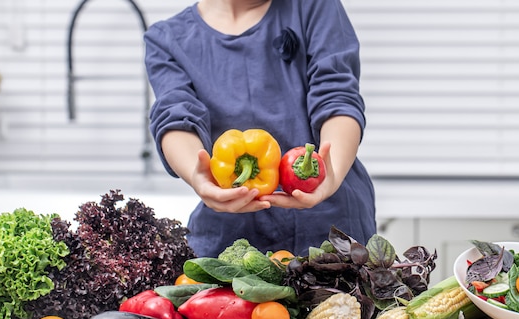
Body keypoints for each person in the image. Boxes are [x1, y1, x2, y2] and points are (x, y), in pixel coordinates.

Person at [144, 0, 376, 258]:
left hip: (330, 228)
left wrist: (331, 175)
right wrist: (197, 177)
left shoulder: (315, 6)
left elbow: (337, 96)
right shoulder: (166, 39)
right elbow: (175, 116)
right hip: (231, 237)